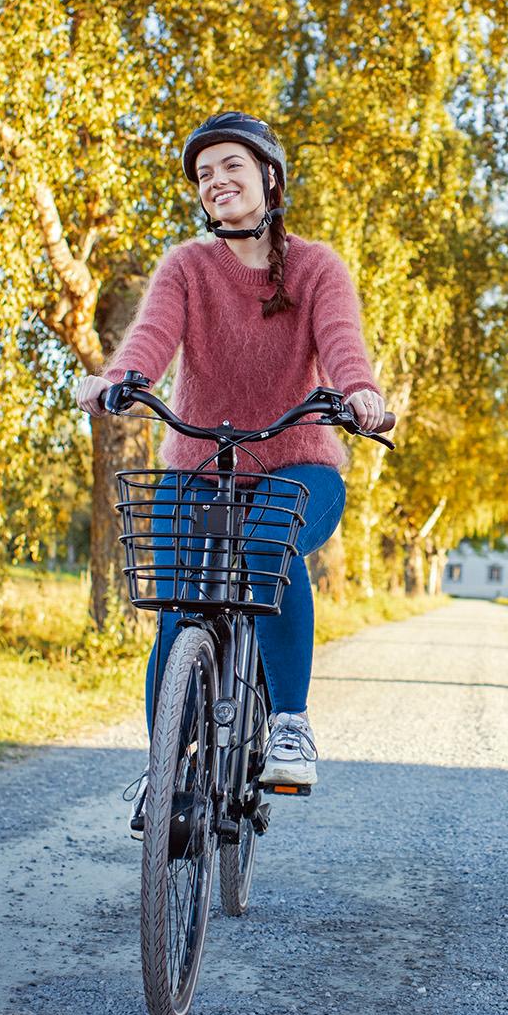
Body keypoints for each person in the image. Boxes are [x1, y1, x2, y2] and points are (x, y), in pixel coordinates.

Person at [76, 111, 386, 795]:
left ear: (270, 178)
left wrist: (359, 392)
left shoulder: (314, 266)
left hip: (298, 465)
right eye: (204, 175)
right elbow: (150, 340)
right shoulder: (187, 267)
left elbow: (340, 344)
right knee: (180, 608)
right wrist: (121, 383)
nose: (215, 182)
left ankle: (290, 723)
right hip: (200, 466)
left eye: (231, 167)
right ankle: (167, 767)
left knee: (269, 539)